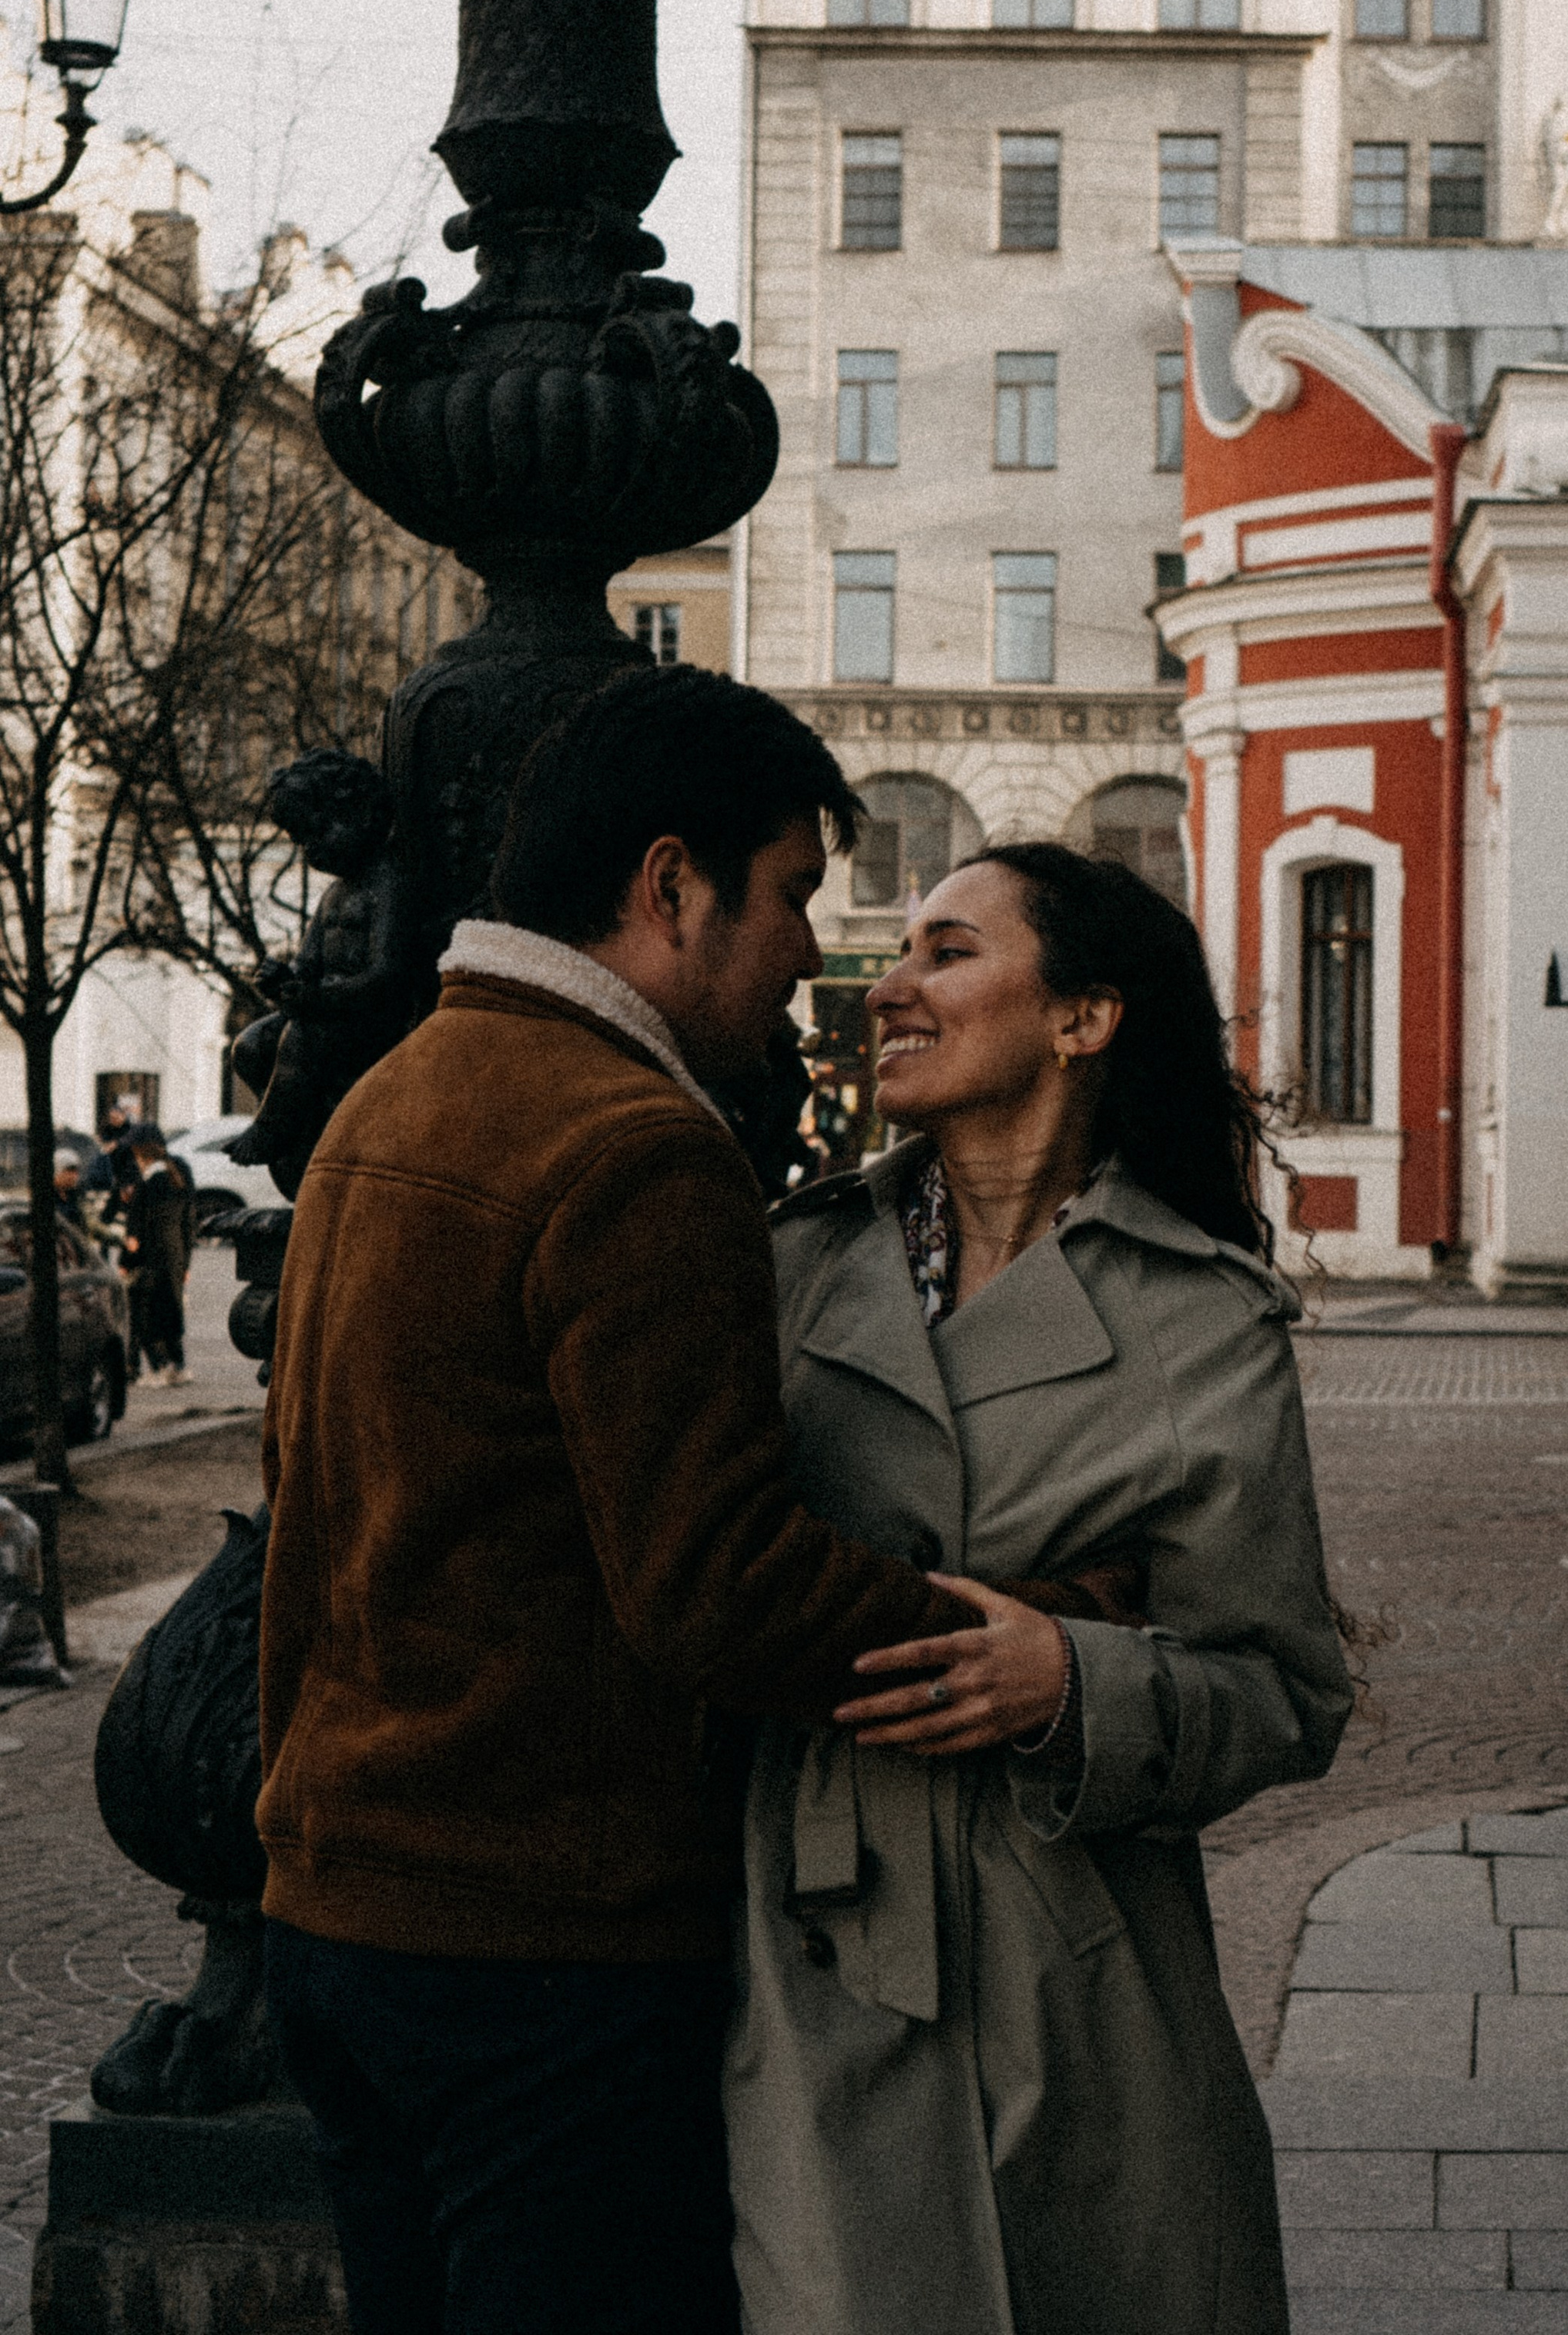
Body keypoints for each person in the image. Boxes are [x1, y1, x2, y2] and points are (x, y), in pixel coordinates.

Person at [256, 669, 1097, 2335]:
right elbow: (714, 1589)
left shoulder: (392, 1099)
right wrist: (1020, 1638)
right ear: (666, 888)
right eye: (785, 891)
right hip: (538, 1948)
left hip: (339, 1914)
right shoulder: (631, 1144)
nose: (807, 949)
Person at [726, 844, 1355, 2335]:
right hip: (809, 1940)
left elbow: (1284, 1689)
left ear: (1081, 1019)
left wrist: (1072, 1683)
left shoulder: (1204, 1316)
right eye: (897, 953)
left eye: (946, 953)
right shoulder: (793, 1270)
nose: (886, 984)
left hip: (1084, 1970)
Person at [122, 1124, 193, 1385]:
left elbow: (136, 1235)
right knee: (171, 1313)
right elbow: (187, 1222)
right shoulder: (177, 1177)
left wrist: (126, 1262)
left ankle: (159, 1369)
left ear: (141, 1154)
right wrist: (186, 1262)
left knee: (146, 1316)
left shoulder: (149, 1184)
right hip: (174, 1256)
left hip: (151, 1259)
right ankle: (179, 1367)